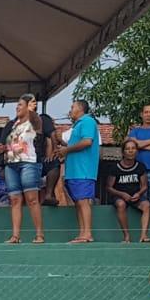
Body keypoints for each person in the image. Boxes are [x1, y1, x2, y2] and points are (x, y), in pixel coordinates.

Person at [0, 94, 44, 243]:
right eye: (17, 105)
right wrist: (2, 148)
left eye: (20, 104)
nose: (17, 107)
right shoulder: (13, 124)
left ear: (27, 107)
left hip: (28, 163)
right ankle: (15, 236)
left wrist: (31, 109)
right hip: (11, 164)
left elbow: (38, 124)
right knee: (14, 200)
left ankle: (39, 234)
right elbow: (9, 143)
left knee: (32, 199)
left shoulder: (34, 121)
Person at [63, 99, 100, 244]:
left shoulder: (87, 122)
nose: (70, 110)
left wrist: (66, 149)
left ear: (80, 109)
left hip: (83, 170)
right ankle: (82, 233)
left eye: (72, 107)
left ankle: (87, 233)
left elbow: (87, 142)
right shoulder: (77, 125)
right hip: (74, 171)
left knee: (84, 201)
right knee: (79, 202)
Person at [107, 139, 149, 244]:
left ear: (137, 151)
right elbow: (108, 187)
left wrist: (139, 194)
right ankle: (126, 236)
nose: (130, 151)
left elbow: (144, 186)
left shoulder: (140, 166)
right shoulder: (115, 168)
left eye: (133, 148)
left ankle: (144, 236)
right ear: (123, 152)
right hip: (119, 196)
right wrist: (121, 194)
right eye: (127, 149)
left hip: (135, 196)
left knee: (147, 205)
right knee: (121, 204)